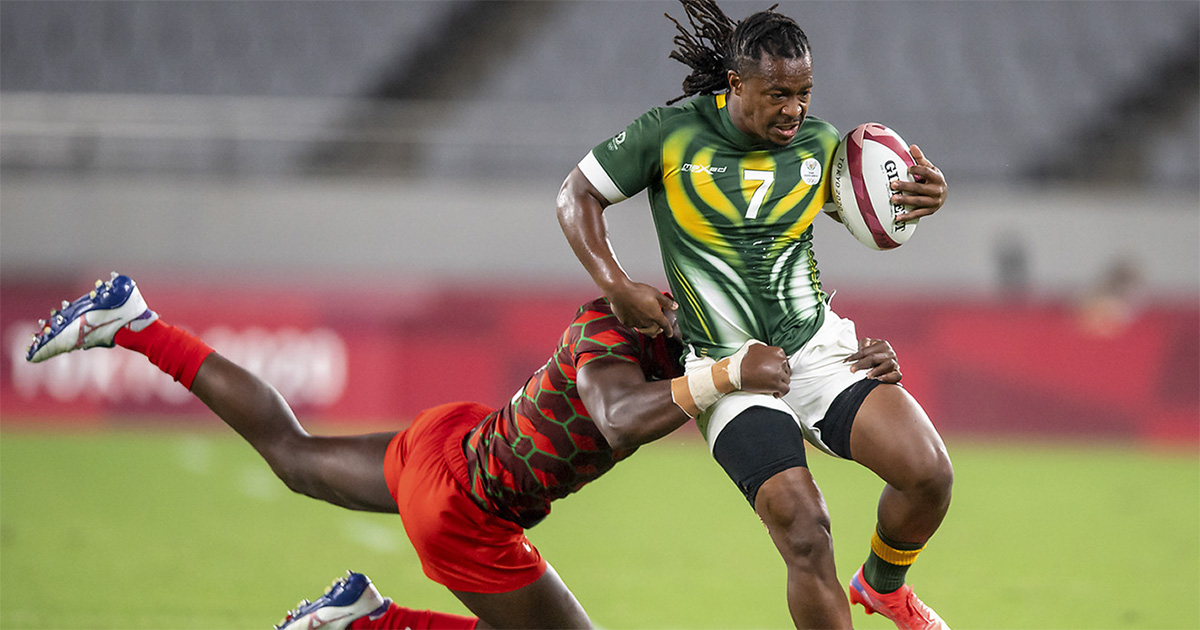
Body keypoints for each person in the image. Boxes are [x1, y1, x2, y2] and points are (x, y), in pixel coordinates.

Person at [28, 272, 902, 629]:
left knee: (293, 458)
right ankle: (376, 620)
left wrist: (856, 372)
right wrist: (726, 375)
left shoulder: (706, 344)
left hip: (448, 443)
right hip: (468, 509)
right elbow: (612, 412)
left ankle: (136, 323)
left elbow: (788, 401)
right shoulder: (617, 319)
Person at [556, 1, 953, 628]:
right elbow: (576, 194)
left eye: (804, 93)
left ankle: (883, 587)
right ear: (737, 84)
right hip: (728, 365)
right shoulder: (670, 133)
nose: (794, 110)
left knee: (929, 475)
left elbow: (871, 211)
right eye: (777, 95)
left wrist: (921, 199)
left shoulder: (821, 145)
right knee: (806, 529)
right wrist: (616, 283)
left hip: (820, 350)